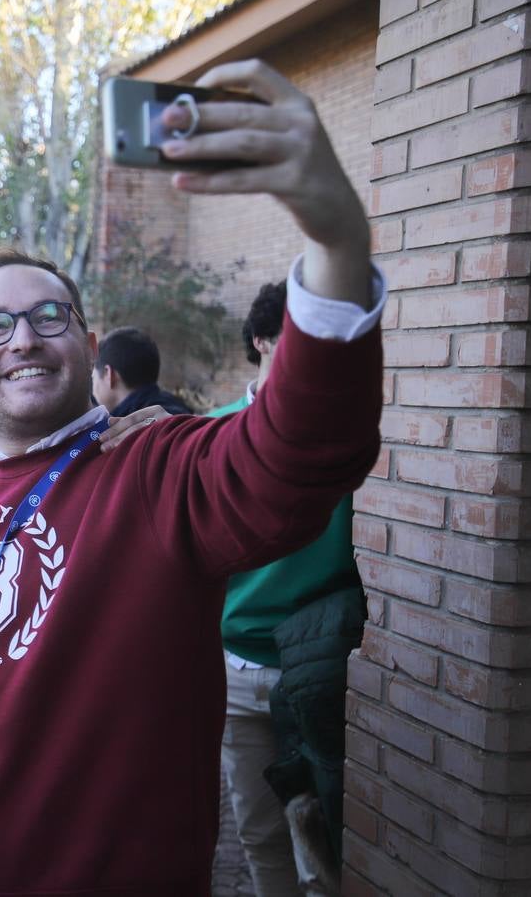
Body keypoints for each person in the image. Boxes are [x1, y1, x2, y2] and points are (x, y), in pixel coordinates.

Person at [0, 59, 385, 896]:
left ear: (87, 341)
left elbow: (302, 455)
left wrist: (337, 242)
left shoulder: (157, 470)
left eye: (47, 316)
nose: (22, 337)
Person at [209, 280, 363, 896]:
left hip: (328, 670)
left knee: (324, 838)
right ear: (263, 341)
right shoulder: (213, 436)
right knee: (258, 827)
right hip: (239, 669)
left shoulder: (354, 440)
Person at [90, 326, 193, 416]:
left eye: (94, 377)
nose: (93, 389)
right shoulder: (177, 412)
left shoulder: (132, 428)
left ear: (108, 374)